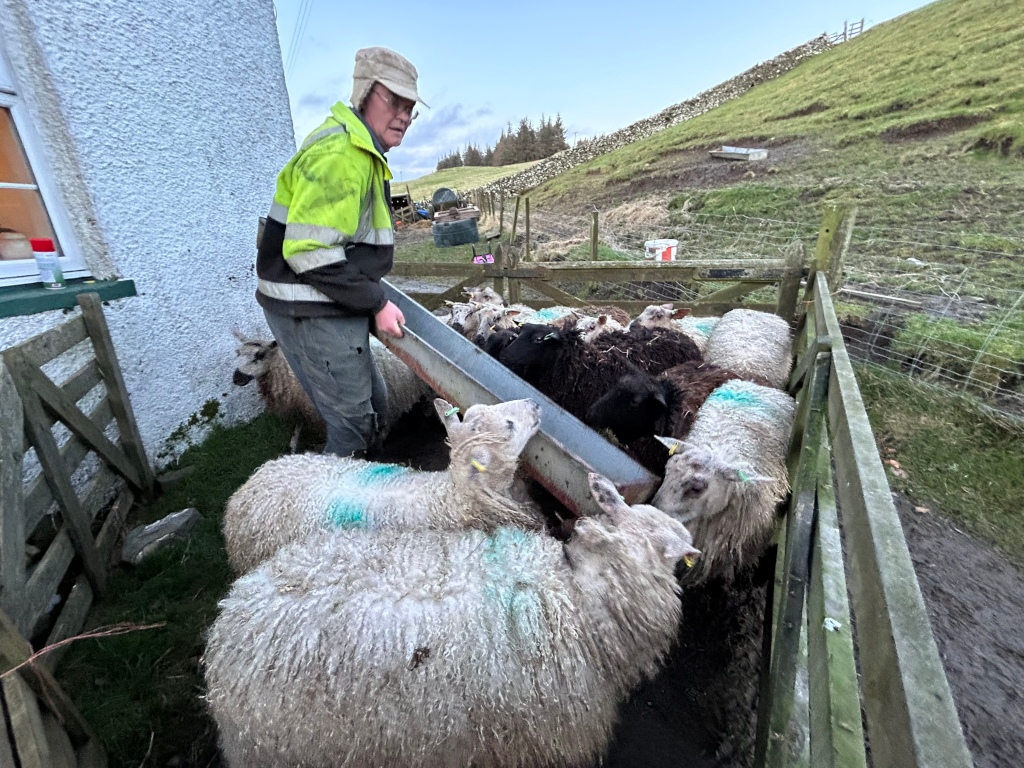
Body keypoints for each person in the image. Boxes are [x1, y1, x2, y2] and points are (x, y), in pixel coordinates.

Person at [255, 47, 427, 456]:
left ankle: (369, 478)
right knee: (353, 427)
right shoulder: (342, 154)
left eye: (411, 107)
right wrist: (376, 301)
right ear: (366, 93)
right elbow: (309, 251)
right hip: (310, 306)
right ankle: (330, 510)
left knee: (378, 409)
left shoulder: (365, 154)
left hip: (328, 300)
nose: (404, 115)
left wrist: (370, 295)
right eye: (395, 101)